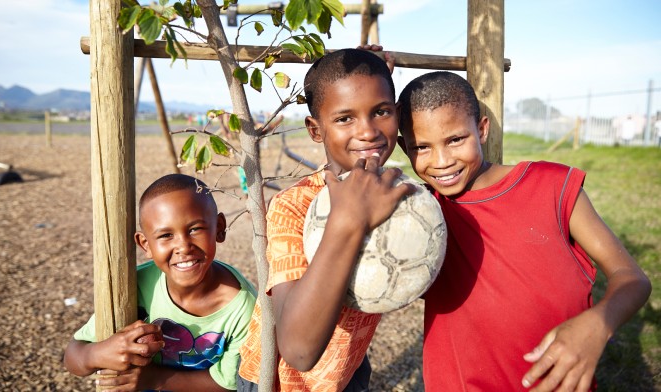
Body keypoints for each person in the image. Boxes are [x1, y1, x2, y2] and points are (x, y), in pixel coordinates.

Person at [396, 71, 652, 391]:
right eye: (422, 147)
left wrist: (597, 326)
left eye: (456, 139)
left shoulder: (551, 187)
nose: (442, 160)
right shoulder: (419, 213)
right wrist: (376, 76)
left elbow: (632, 279)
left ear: (482, 129)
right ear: (404, 148)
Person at [237, 48, 414, 391]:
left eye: (381, 112)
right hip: (276, 382)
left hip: (347, 369)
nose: (368, 132)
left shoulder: (400, 197)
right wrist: (350, 221)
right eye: (345, 118)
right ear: (315, 131)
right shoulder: (294, 206)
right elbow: (298, 351)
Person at [63, 174, 257, 391]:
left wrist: (153, 379)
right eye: (166, 235)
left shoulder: (242, 307)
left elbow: (229, 382)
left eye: (195, 229)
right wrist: (99, 354)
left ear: (219, 228)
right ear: (145, 244)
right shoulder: (133, 287)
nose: (183, 246)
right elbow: (73, 357)